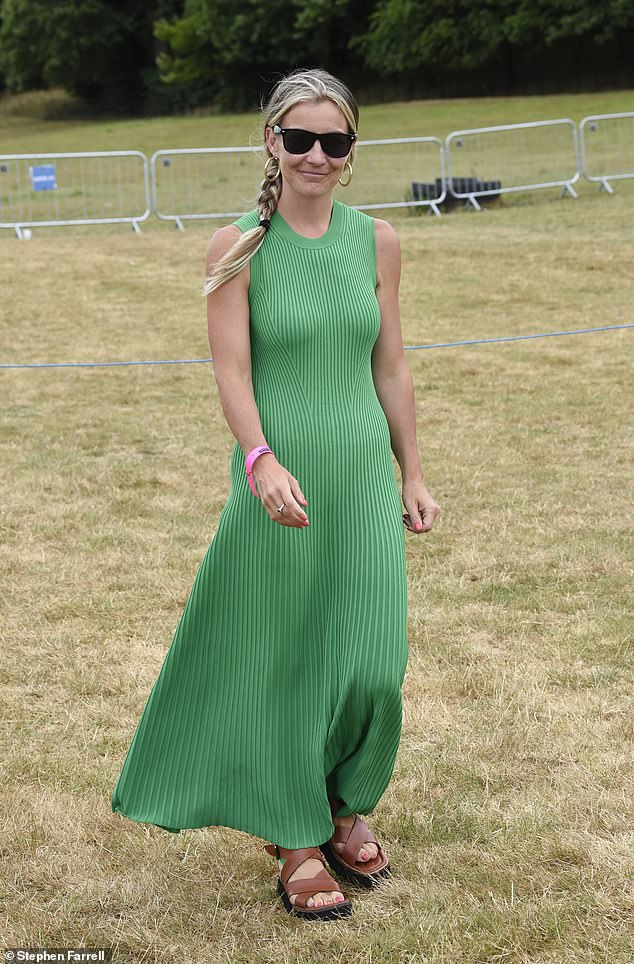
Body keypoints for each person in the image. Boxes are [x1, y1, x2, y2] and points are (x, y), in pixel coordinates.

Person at [111, 67, 440, 921]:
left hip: (363, 474)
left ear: (351, 150)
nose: (317, 155)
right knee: (288, 660)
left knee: (372, 663)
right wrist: (258, 458)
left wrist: (411, 470)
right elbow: (231, 368)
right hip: (279, 480)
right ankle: (296, 835)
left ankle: (340, 801)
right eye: (301, 138)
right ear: (272, 143)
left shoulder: (380, 243)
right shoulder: (237, 248)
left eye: (334, 141)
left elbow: (392, 364)